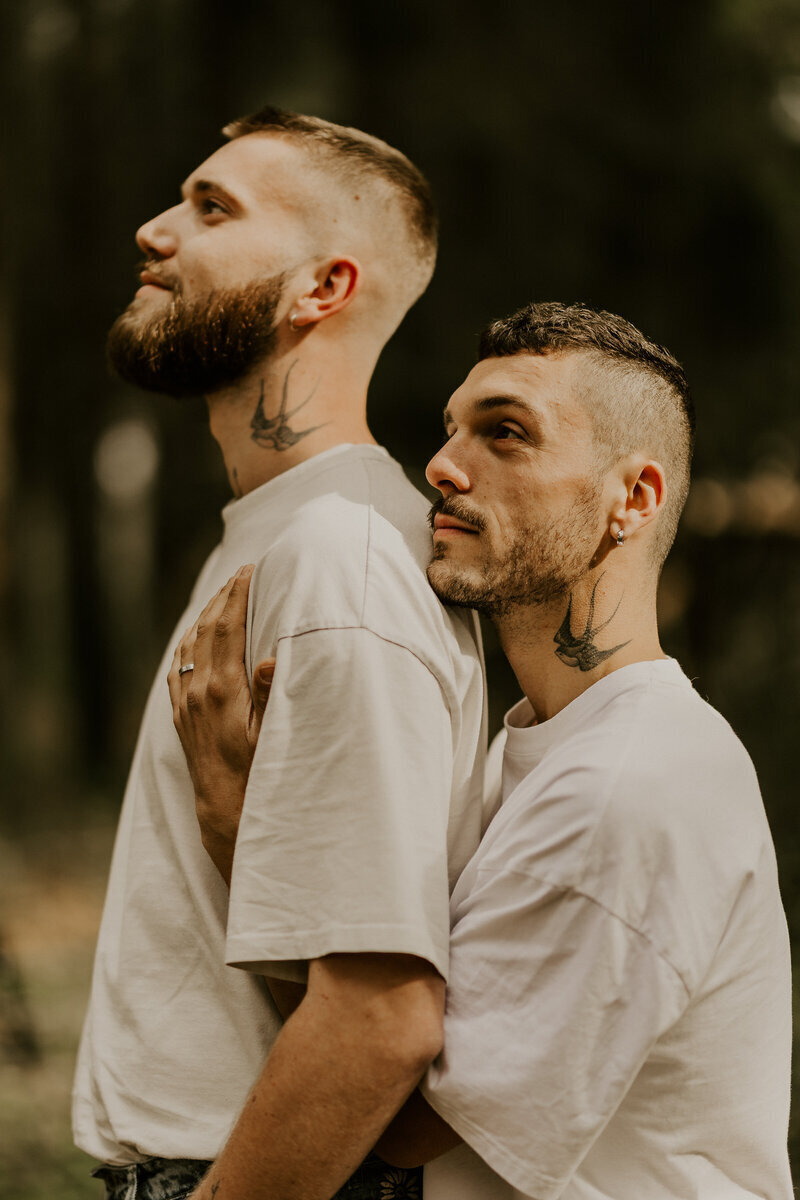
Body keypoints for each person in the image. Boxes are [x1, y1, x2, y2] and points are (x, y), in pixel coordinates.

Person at [174, 302, 794, 1199]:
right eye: (450, 430)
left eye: (506, 434)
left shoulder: (630, 787)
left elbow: (403, 1125)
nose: (441, 467)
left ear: (634, 498)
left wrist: (242, 833)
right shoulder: (542, 756)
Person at [72, 107, 488, 1200]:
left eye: (212, 208)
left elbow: (381, 1011)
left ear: (321, 289)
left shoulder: (334, 558)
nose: (154, 231)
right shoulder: (288, 533)